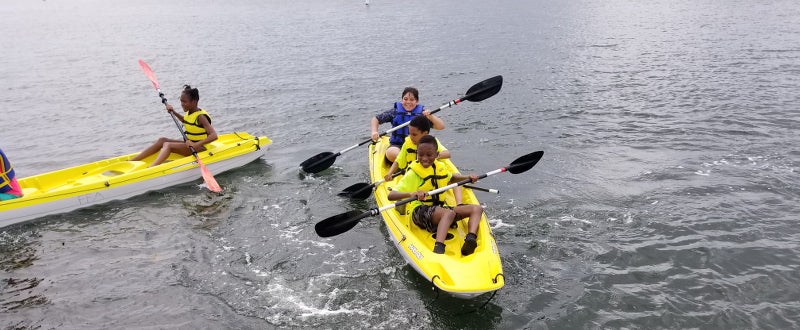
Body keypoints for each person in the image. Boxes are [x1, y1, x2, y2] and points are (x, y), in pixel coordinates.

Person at [387, 135, 483, 256]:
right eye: (420, 155)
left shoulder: (440, 167)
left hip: (440, 210)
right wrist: (413, 193)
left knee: (477, 209)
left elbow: (451, 178)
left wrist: (467, 177)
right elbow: (391, 196)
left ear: (437, 154)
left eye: (429, 155)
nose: (424, 158)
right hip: (419, 212)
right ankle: (439, 247)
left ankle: (470, 239)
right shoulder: (413, 173)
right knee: (448, 213)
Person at [383, 116, 464, 205]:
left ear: (425, 134)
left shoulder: (432, 143)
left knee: (456, 176)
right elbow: (398, 161)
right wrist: (390, 173)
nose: (411, 137)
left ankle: (459, 204)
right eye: (410, 134)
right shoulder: (407, 144)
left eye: (414, 134)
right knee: (401, 205)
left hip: (433, 176)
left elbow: (447, 154)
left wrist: (431, 157)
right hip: (416, 178)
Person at [130, 85, 218, 167]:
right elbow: (186, 121)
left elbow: (214, 136)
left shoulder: (201, 117)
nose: (182, 104)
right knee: (162, 140)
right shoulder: (190, 113)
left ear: (194, 102)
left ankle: (151, 169)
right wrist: (174, 112)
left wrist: (195, 145)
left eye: (184, 102)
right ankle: (131, 162)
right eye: (181, 101)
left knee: (168, 145)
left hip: (201, 148)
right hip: (190, 144)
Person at [370, 87, 445, 162]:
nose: (408, 102)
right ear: (402, 100)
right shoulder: (395, 112)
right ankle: (407, 162)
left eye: (412, 100)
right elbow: (376, 119)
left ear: (417, 101)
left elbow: (441, 126)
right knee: (391, 153)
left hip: (418, 147)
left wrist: (431, 117)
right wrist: (374, 131)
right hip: (397, 145)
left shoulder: (422, 114)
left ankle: (416, 161)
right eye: (405, 99)